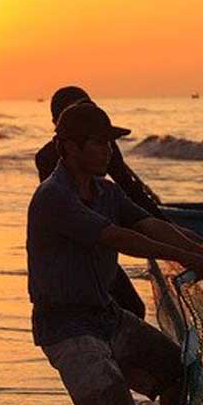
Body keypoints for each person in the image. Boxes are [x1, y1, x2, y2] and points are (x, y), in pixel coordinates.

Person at [27, 101, 203, 405]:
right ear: (70, 148)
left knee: (178, 370)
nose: (109, 150)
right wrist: (182, 256)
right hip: (66, 326)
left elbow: (148, 224)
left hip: (105, 314)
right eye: (99, 142)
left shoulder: (106, 192)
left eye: (110, 142)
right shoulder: (54, 196)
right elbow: (119, 238)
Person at [34, 86, 166, 319]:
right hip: (73, 254)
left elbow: (128, 188)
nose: (105, 148)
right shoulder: (48, 164)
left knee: (132, 308)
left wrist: (162, 223)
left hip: (101, 246)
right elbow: (69, 216)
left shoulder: (104, 148)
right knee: (116, 308)